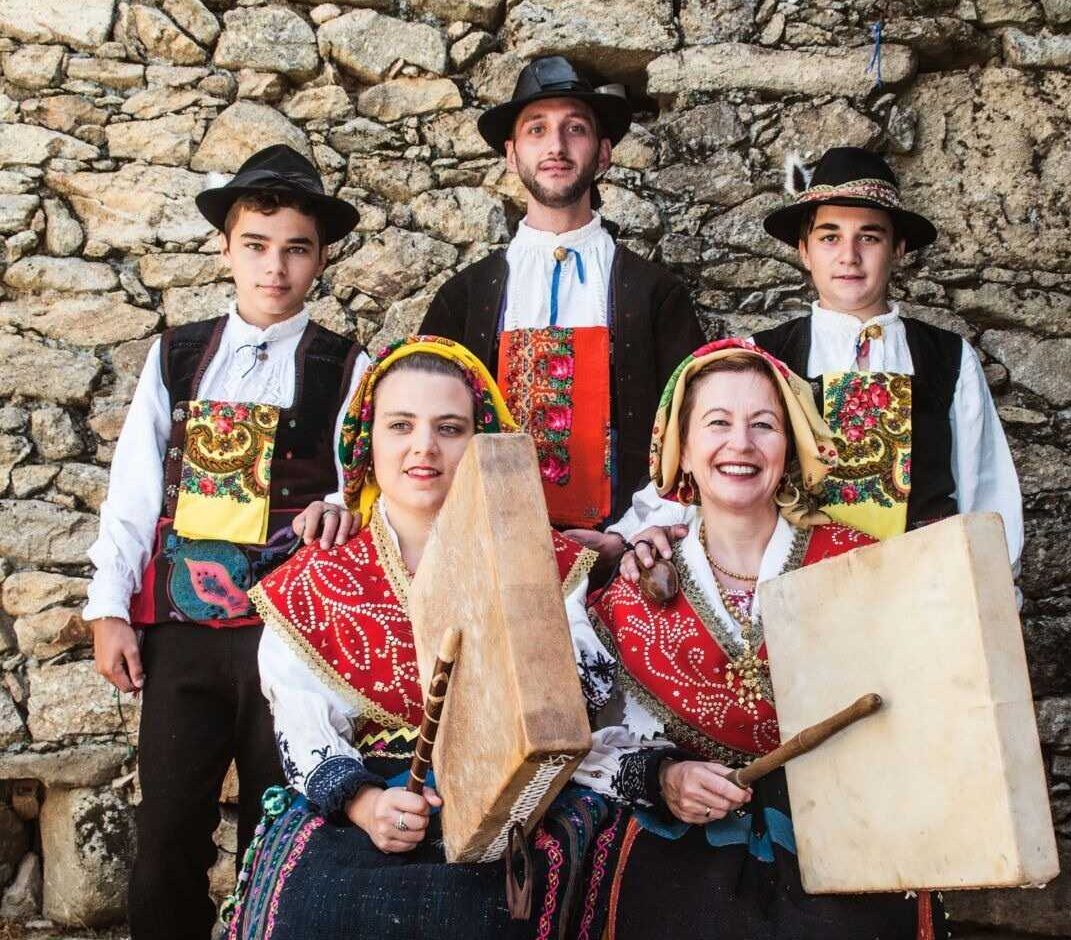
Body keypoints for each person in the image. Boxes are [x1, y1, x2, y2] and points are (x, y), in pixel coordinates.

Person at [83, 144, 370, 940]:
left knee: (279, 830)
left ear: (320, 259)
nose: (274, 267)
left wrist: (342, 507)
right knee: (169, 830)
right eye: (256, 245)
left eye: (295, 249)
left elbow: (366, 487)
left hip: (290, 639)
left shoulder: (347, 366)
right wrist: (110, 607)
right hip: (181, 636)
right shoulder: (177, 354)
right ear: (226, 247)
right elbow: (136, 489)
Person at [568, 339, 946, 939]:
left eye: (763, 425)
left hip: (844, 836)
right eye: (717, 423)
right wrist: (664, 781)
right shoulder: (624, 601)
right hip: (684, 844)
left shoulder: (859, 568)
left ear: (790, 449)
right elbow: (577, 745)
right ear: (682, 451)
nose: (740, 444)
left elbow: (927, 711)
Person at [223, 337, 598, 939]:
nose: (424, 447)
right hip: (366, 801)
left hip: (517, 802)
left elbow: (579, 693)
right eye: (401, 425)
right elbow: (302, 722)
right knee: (326, 907)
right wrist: (365, 804)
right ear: (366, 443)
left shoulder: (541, 564)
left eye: (450, 428)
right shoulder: (316, 580)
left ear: (482, 442)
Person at [612, 146, 1021, 580]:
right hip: (797, 594)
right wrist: (630, 535)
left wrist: (992, 600)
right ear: (805, 251)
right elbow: (708, 459)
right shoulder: (761, 358)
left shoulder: (948, 358)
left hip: (925, 589)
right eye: (830, 237)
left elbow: (987, 496)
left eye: (869, 236)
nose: (849, 255)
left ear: (898, 248)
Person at [420, 55, 705, 551]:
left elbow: (696, 429)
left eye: (575, 128)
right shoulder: (465, 298)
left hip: (623, 559)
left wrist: (626, 536)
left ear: (603, 154)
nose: (555, 146)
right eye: (537, 130)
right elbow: (417, 425)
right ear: (512, 154)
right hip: (486, 552)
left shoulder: (654, 294)